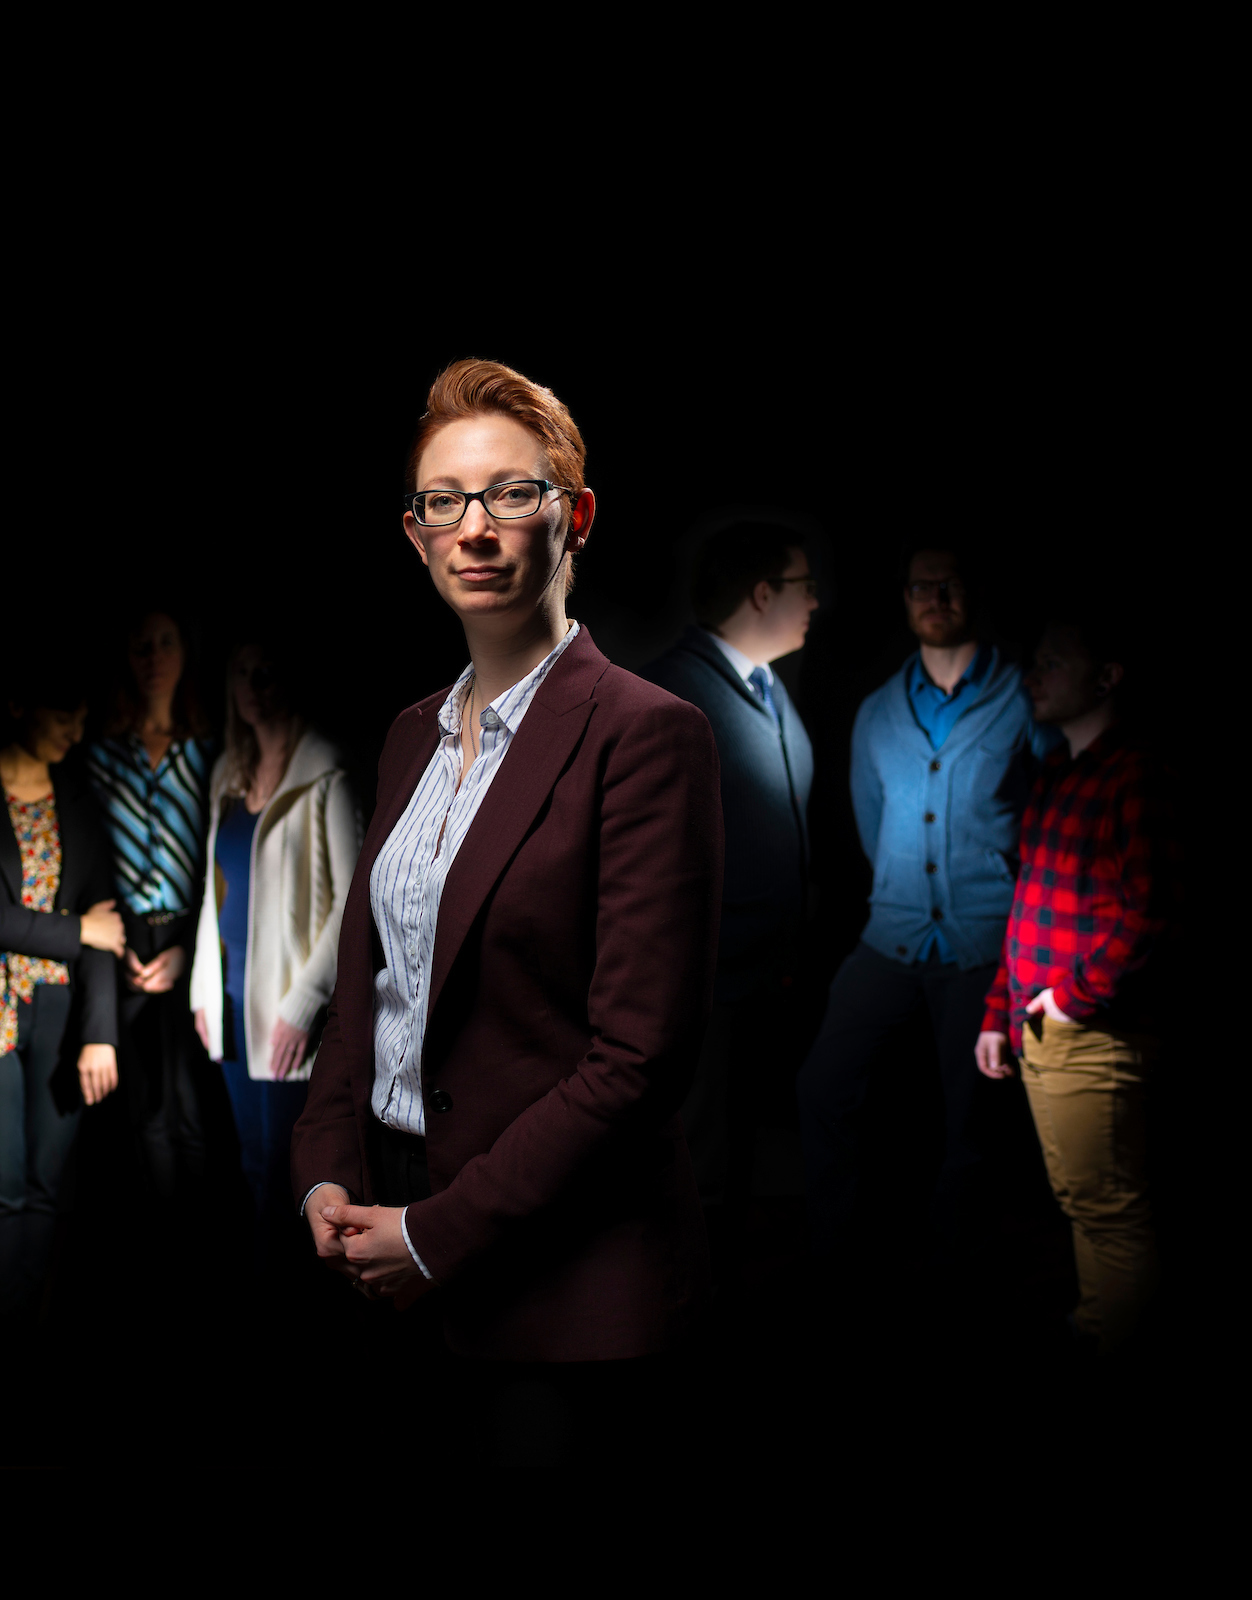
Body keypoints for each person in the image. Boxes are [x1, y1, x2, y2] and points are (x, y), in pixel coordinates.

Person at [291, 358, 721, 1459]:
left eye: (510, 494)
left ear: (572, 517)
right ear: (416, 535)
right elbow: (367, 996)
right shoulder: (406, 735)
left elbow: (638, 1060)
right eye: (446, 501)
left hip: (554, 1286)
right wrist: (328, 1176)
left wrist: (437, 1234)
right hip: (378, 1249)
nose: (475, 527)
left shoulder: (646, 736)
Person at [796, 546, 1058, 1277]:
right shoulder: (880, 710)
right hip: (893, 935)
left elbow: (1055, 809)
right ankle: (837, 1254)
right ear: (905, 598)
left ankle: (957, 1271)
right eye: (920, 586)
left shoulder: (1023, 696)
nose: (933, 597)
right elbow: (873, 825)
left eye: (949, 584)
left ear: (973, 592)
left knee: (972, 1121)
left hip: (986, 948)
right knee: (823, 1086)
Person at [975, 612, 1173, 1357]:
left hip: (1090, 1032)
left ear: (1107, 676)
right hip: (1042, 1026)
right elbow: (1028, 904)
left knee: (1107, 1206)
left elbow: (1153, 914)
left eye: (1054, 662)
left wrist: (1065, 1002)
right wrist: (1000, 1011)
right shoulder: (1059, 773)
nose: (1034, 674)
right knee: (1083, 1202)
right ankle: (1099, 1326)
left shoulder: (1138, 774)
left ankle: (1114, 1345)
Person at [0, 653, 124, 1321]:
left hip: (61, 1012)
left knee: (46, 1186)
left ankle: (27, 1324)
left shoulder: (80, 796)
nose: (76, 730)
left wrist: (100, 1035)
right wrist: (77, 933)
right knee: (1, 1186)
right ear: (19, 709)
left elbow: (106, 926)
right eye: (64, 716)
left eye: (82, 717)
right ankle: (3, 1336)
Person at [639, 522, 819, 1259]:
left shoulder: (765, 684)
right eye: (806, 586)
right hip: (705, 994)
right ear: (763, 593)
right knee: (698, 1174)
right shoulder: (669, 696)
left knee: (741, 1162)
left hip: (760, 986)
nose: (819, 602)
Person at [187, 633, 360, 1272]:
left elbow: (353, 901)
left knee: (286, 1175)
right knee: (249, 1161)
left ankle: (279, 1320)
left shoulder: (326, 771)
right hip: (230, 1000)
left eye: (267, 672)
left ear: (289, 680)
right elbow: (213, 894)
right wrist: (204, 990)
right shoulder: (228, 776)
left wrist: (305, 1003)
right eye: (241, 673)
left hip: (287, 1009)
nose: (254, 687)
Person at [78, 607, 218, 1208]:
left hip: (196, 933)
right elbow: (89, 859)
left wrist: (189, 945)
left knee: (197, 1102)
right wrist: (122, 943)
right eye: (141, 647)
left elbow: (220, 859)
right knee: (147, 1110)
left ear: (184, 653)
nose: (154, 658)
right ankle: (165, 1248)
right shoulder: (100, 756)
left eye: (165, 644)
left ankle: (208, 1238)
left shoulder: (212, 749)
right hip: (126, 939)